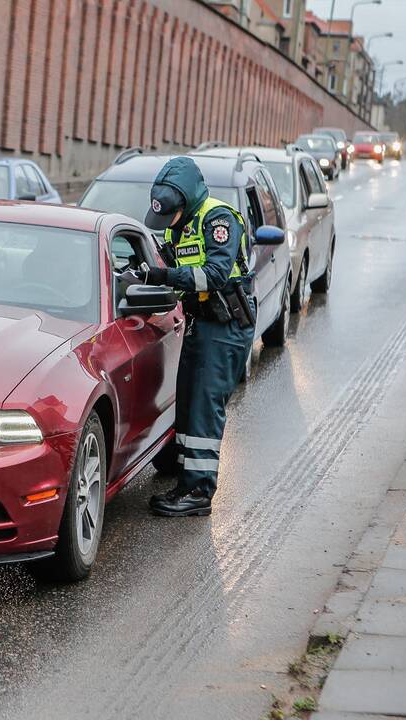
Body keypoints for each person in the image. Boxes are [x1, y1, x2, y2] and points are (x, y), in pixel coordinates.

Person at [137, 156, 255, 517]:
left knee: (204, 408)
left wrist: (166, 277)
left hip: (226, 326)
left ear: (185, 202)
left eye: (169, 215)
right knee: (187, 403)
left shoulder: (217, 219)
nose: (166, 224)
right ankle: (186, 480)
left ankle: (199, 493)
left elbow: (215, 274)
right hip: (200, 323)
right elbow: (166, 261)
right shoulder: (177, 226)